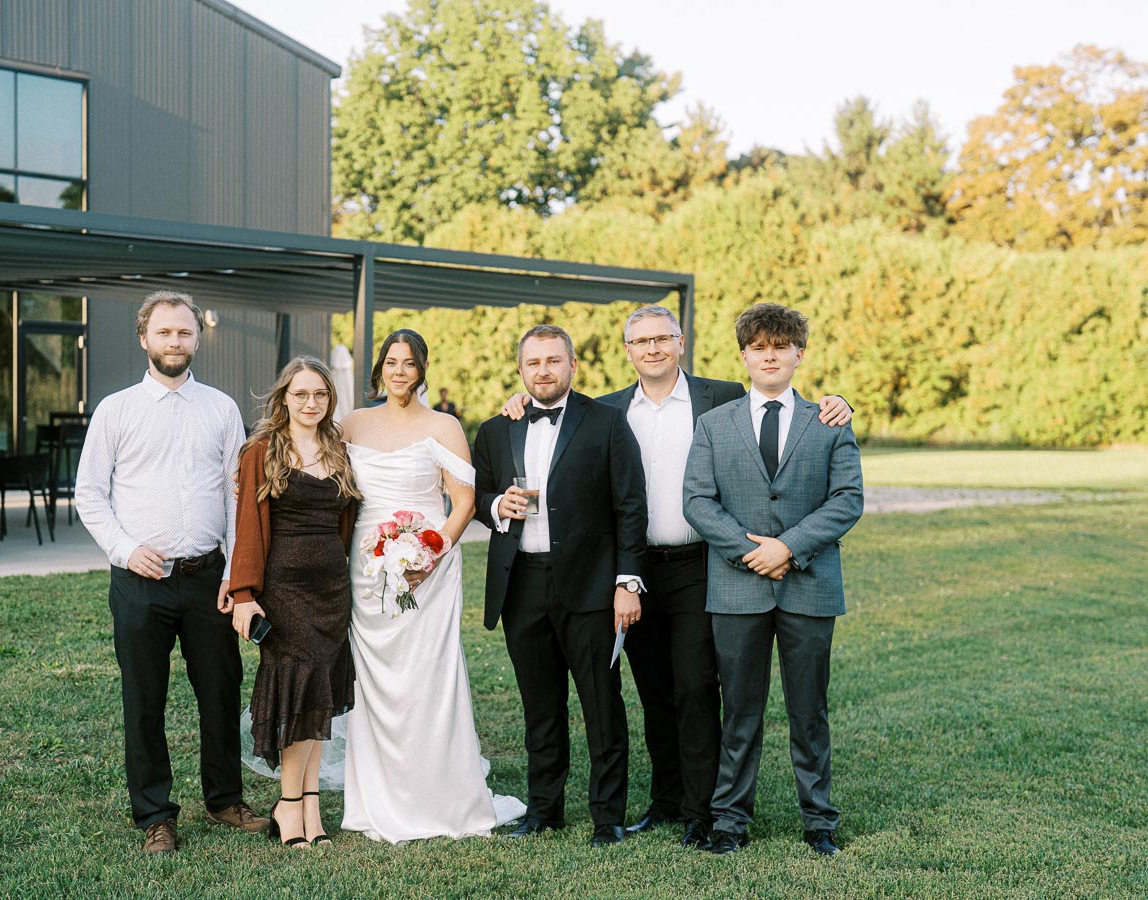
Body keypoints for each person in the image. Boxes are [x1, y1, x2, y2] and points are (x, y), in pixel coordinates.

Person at [500, 305, 852, 849]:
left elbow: (781, 403)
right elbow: (554, 417)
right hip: (632, 569)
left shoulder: (722, 396)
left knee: (695, 686)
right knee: (653, 690)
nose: (653, 348)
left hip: (700, 564)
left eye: (662, 338)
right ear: (627, 351)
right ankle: (666, 799)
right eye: (640, 341)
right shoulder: (608, 410)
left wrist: (839, 402)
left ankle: (701, 809)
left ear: (681, 342)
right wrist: (520, 401)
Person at [74, 291, 266, 855]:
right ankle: (155, 814)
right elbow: (90, 494)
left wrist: (236, 572)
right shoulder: (115, 410)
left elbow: (237, 498)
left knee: (220, 690)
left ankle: (225, 799)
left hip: (209, 577)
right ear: (144, 338)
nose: (175, 342)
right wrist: (124, 549)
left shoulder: (222, 408)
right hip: (140, 582)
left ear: (197, 338)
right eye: (164, 333)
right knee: (144, 698)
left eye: (184, 333)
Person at [682, 302, 863, 857]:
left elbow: (848, 499)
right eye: (759, 347)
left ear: (798, 355)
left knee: (810, 711)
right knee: (739, 711)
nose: (769, 356)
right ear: (743, 355)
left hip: (810, 586)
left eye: (780, 347)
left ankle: (819, 821)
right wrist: (750, 552)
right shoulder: (715, 424)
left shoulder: (829, 420)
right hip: (738, 588)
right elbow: (697, 501)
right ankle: (731, 823)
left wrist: (789, 547)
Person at [339, 328, 525, 842]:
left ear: (422, 370)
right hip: (366, 568)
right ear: (380, 368)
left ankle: (439, 794)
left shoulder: (444, 425)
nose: (400, 371)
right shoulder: (352, 423)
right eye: (392, 361)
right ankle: (376, 795)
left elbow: (463, 502)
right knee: (373, 682)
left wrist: (430, 554)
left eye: (410, 363)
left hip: (431, 563)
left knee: (428, 675)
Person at [473, 324, 647, 848]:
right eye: (534, 362)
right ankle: (544, 811)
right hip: (521, 584)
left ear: (573, 366)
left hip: (592, 586)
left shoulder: (608, 423)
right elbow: (475, 494)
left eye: (554, 360)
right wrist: (494, 507)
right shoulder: (495, 429)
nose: (544, 370)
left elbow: (631, 506)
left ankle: (607, 817)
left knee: (602, 705)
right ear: (521, 370)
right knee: (539, 707)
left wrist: (627, 582)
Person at [227, 357, 360, 848]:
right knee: (300, 691)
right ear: (283, 397)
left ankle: (309, 807)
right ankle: (289, 805)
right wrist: (244, 594)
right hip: (285, 591)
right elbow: (246, 526)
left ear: (330, 399)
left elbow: (349, 523)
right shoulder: (262, 451)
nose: (311, 403)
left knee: (319, 694)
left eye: (320, 395)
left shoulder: (340, 450)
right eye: (301, 394)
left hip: (332, 591)